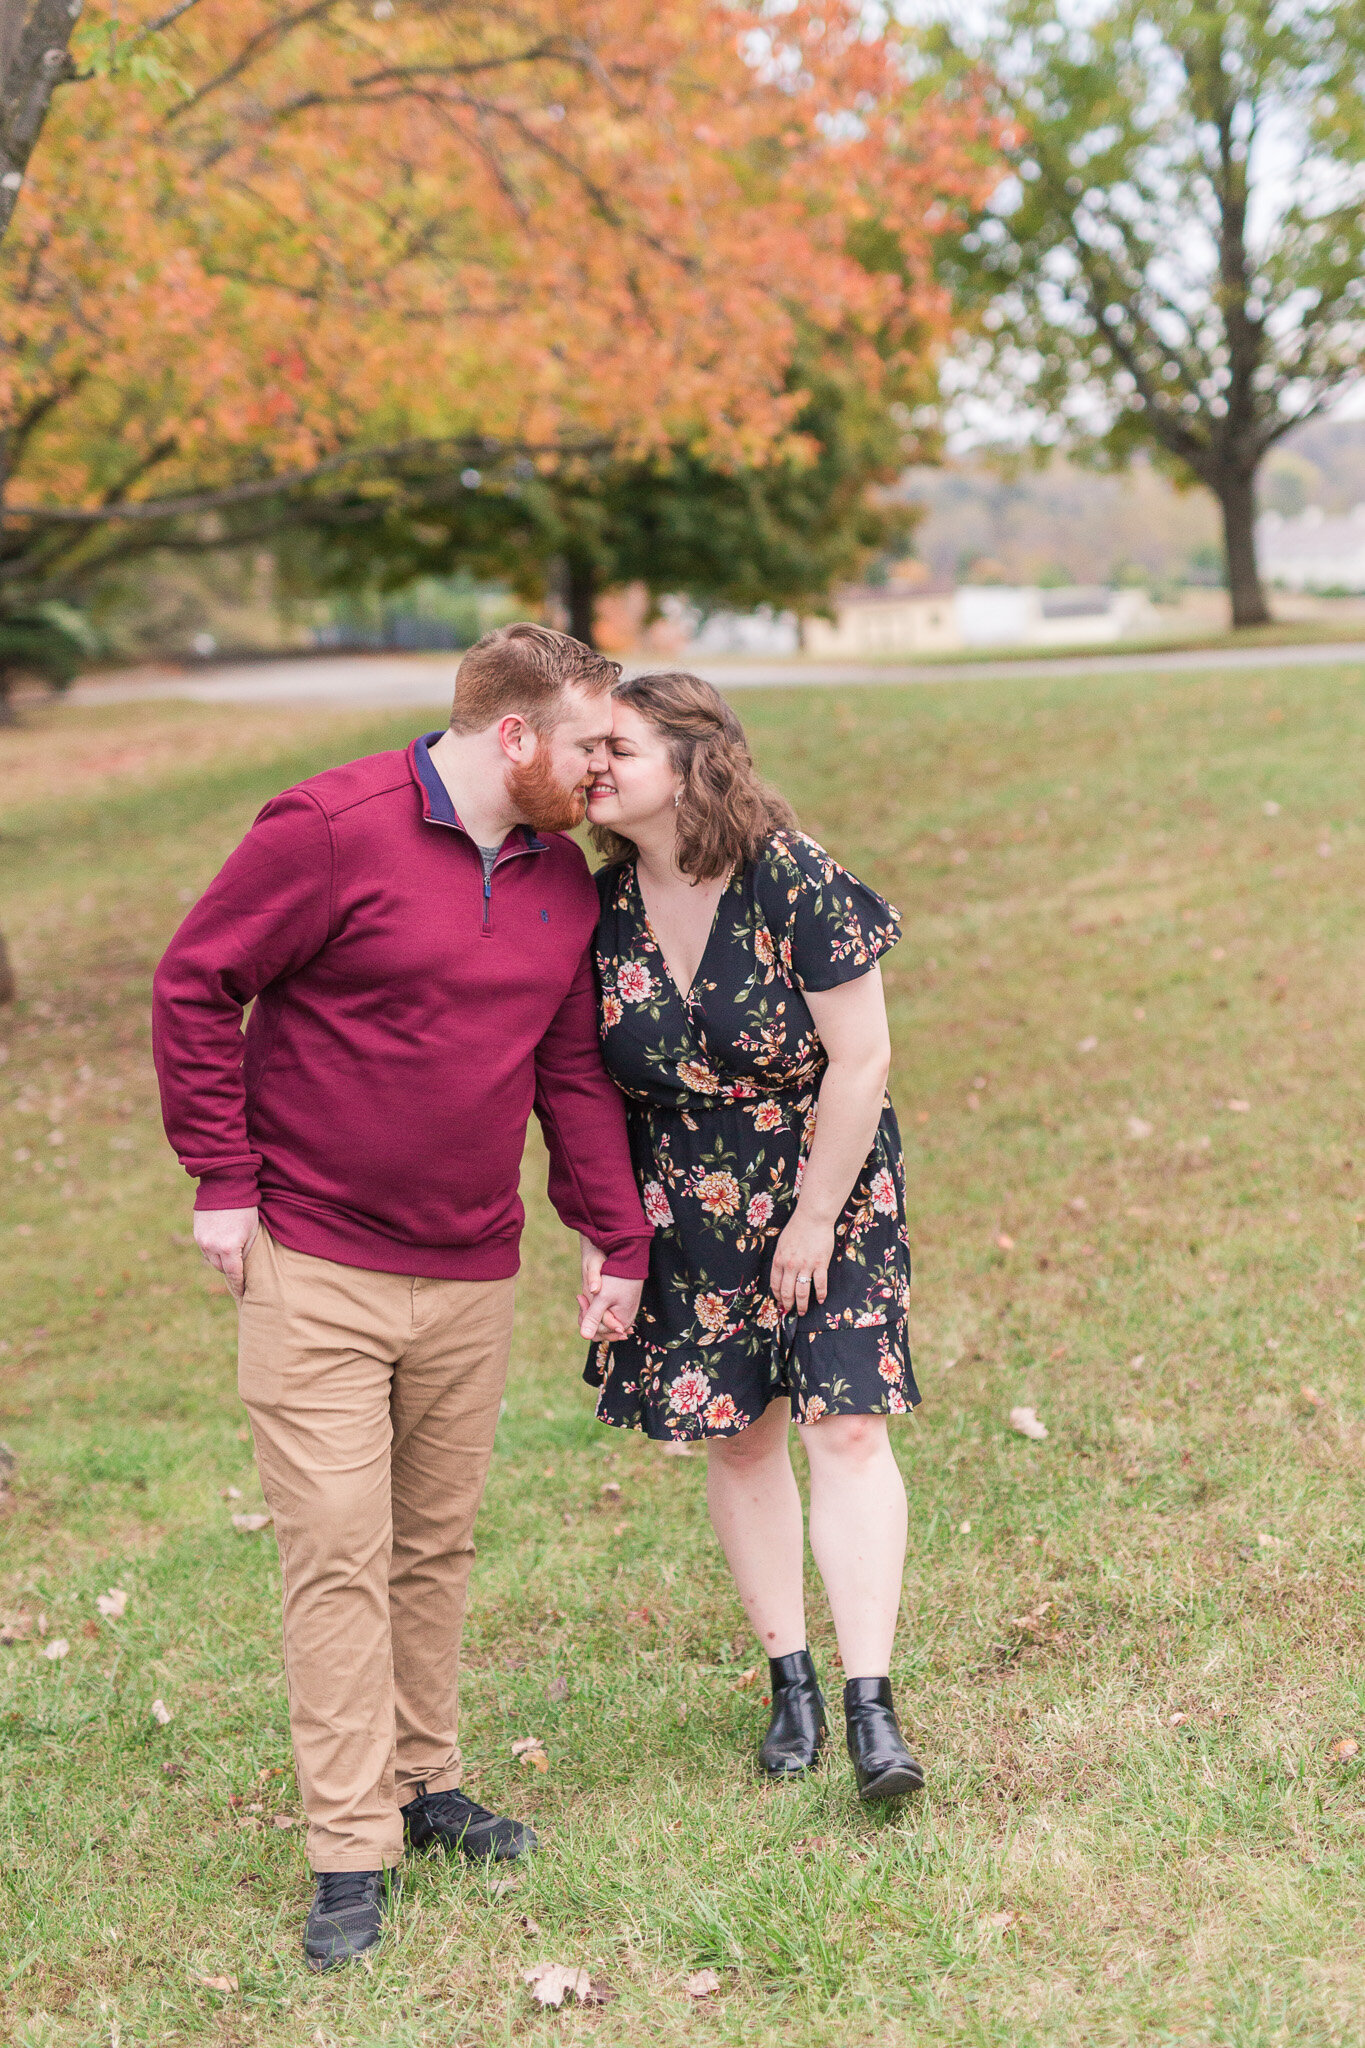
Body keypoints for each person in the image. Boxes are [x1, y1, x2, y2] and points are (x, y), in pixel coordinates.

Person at [152, 624, 650, 1971]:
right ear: (514, 739)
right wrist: (221, 1176)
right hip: (315, 1263)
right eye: (588, 746)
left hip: (471, 1268)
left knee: (431, 1548)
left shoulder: (561, 879)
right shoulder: (331, 830)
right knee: (335, 1551)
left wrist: (617, 1237)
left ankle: (425, 1784)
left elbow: (570, 1072)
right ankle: (347, 1848)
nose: (604, 773)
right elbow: (198, 981)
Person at [583, 670, 923, 1800]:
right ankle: (793, 1680)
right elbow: (586, 1085)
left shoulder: (791, 874)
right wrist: (609, 1234)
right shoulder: (602, 903)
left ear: (691, 759)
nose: (594, 765)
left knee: (849, 1430)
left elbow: (863, 1057)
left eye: (617, 747)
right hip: (684, 1200)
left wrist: (816, 1216)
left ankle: (874, 1703)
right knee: (739, 1436)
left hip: (828, 1182)